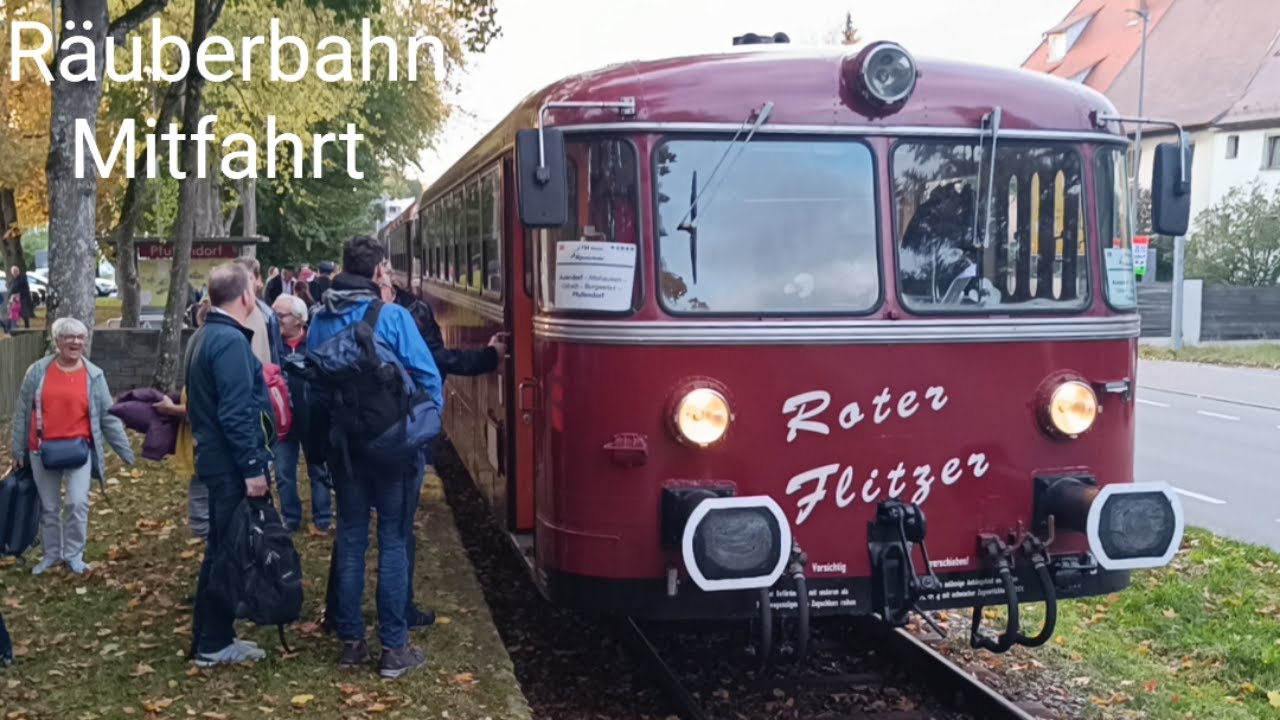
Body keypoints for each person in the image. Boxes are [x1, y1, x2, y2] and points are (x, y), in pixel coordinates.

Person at [308, 236, 442, 678]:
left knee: (350, 539)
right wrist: (421, 428)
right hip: (393, 448)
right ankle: (393, 648)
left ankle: (350, 642)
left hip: (345, 447)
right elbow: (428, 378)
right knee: (392, 541)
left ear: (344, 267)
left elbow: (313, 386)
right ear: (377, 269)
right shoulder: (393, 316)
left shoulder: (319, 320)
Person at [388, 282, 506, 628]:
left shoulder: (340, 314)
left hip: (367, 433)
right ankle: (397, 619)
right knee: (397, 529)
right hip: (403, 421)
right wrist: (487, 358)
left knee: (363, 532)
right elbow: (432, 360)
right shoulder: (406, 313)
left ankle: (349, 619)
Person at [185, 263, 275, 668]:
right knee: (227, 552)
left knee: (219, 550)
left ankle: (210, 636)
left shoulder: (205, 336)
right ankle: (214, 642)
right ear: (246, 296)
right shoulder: (231, 343)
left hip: (214, 459)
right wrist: (253, 469)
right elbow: (237, 413)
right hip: (228, 466)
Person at [11, 317, 135, 575]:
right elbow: (23, 412)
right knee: (49, 506)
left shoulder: (94, 375)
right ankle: (51, 554)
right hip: (41, 451)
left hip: (78, 451)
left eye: (80, 337)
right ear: (57, 341)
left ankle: (74, 556)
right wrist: (17, 451)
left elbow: (107, 416)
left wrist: (126, 452)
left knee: (77, 503)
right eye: (69, 337)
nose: (76, 342)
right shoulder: (37, 372)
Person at [271, 294, 332, 534]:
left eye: (281, 315)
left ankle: (323, 518)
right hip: (282, 419)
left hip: (313, 418)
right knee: (284, 472)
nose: (276, 320)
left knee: (319, 469)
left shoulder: (316, 342)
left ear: (299, 319)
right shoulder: (272, 344)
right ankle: (290, 517)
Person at [232, 257, 284, 366]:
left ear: (258, 280)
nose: (244, 285)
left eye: (248, 279)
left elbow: (276, 355)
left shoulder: (267, 315)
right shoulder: (224, 312)